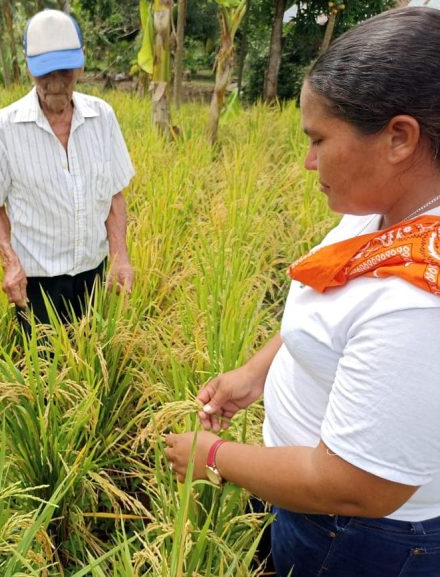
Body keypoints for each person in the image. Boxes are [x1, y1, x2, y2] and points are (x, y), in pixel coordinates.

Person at [163, 7, 440, 577]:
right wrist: (256, 372)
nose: (309, 162)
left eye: (318, 139)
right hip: (308, 504)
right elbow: (330, 298)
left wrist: (213, 456)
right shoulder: (385, 212)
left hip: (356, 535)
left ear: (398, 137)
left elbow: (359, 487)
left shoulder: (420, 305)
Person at [0, 9, 135, 331]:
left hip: (93, 274)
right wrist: (10, 263)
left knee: (90, 351)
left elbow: (114, 195)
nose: (56, 83)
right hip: (37, 283)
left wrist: (119, 256)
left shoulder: (102, 117)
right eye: (44, 74)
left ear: (82, 61)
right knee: (42, 360)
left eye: (65, 71)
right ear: (28, 66)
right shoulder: (4, 128)